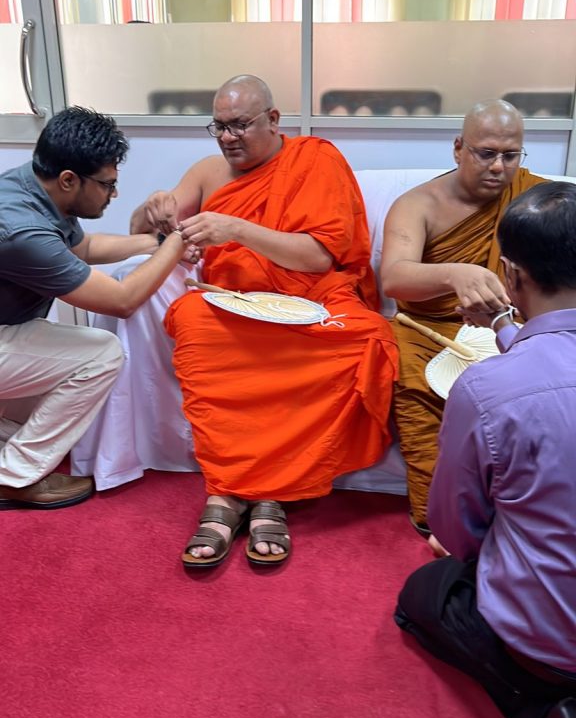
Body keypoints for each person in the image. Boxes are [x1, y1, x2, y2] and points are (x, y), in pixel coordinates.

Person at [131, 74, 398, 567]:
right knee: (191, 318)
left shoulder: (316, 160)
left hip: (309, 302)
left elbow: (318, 257)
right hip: (231, 303)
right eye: (219, 126)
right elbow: (144, 233)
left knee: (368, 337)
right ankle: (248, 493)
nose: (227, 137)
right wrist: (151, 210)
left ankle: (246, 494)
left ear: (273, 120)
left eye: (240, 125)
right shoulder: (207, 172)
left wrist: (236, 229)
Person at [394, 180, 576, 718]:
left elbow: (455, 528)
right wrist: (504, 325)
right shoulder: (507, 378)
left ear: (511, 274)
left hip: (554, 642)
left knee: (425, 594)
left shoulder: (488, 389)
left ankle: (545, 708)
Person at [0, 106, 187, 510]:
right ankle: (11, 478)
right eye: (107, 185)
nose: (113, 195)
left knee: (45, 410)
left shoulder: (32, 185)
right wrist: (178, 244)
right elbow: (122, 301)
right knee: (101, 354)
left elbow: (84, 248)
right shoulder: (22, 231)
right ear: (69, 179)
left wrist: (157, 242)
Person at [380, 100, 545, 551]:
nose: (498, 167)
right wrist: (454, 273)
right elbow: (394, 277)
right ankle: (440, 517)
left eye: (510, 155)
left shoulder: (536, 199)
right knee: (410, 376)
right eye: (485, 153)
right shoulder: (419, 204)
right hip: (429, 329)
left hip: (514, 326)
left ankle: (524, 514)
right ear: (458, 148)